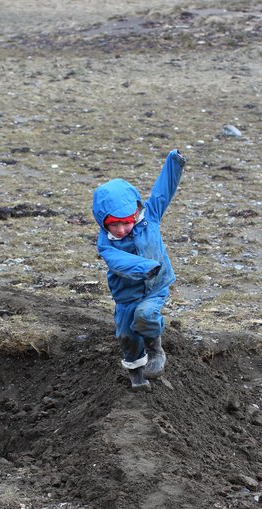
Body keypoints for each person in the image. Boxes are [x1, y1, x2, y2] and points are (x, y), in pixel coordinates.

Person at [92, 149, 186, 392]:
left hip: (155, 287)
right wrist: (147, 266)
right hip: (127, 294)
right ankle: (136, 376)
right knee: (126, 333)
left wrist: (173, 164)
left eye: (127, 221)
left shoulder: (150, 216)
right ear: (103, 221)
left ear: (135, 212)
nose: (122, 229)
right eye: (115, 224)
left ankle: (155, 349)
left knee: (144, 317)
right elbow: (118, 262)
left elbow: (162, 192)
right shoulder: (106, 244)